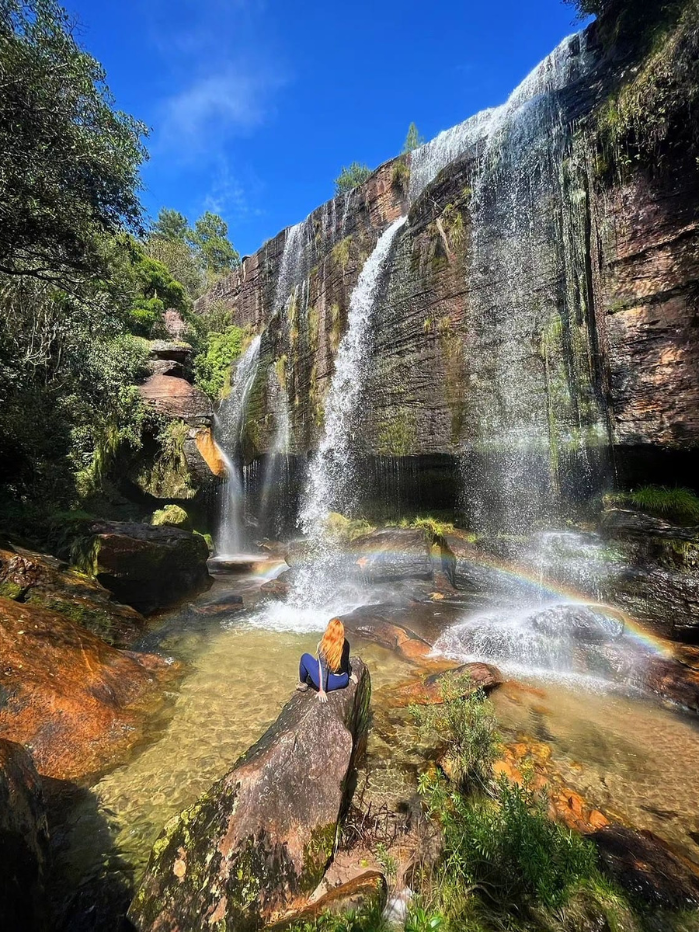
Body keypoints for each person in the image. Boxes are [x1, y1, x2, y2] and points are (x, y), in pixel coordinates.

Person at [297, 617, 356, 703]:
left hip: (330, 684)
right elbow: (346, 661)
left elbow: (323, 670)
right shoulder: (346, 643)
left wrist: (322, 690)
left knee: (305, 657)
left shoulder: (323, 645)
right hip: (344, 680)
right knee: (319, 662)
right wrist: (350, 674)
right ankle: (310, 679)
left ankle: (303, 683)